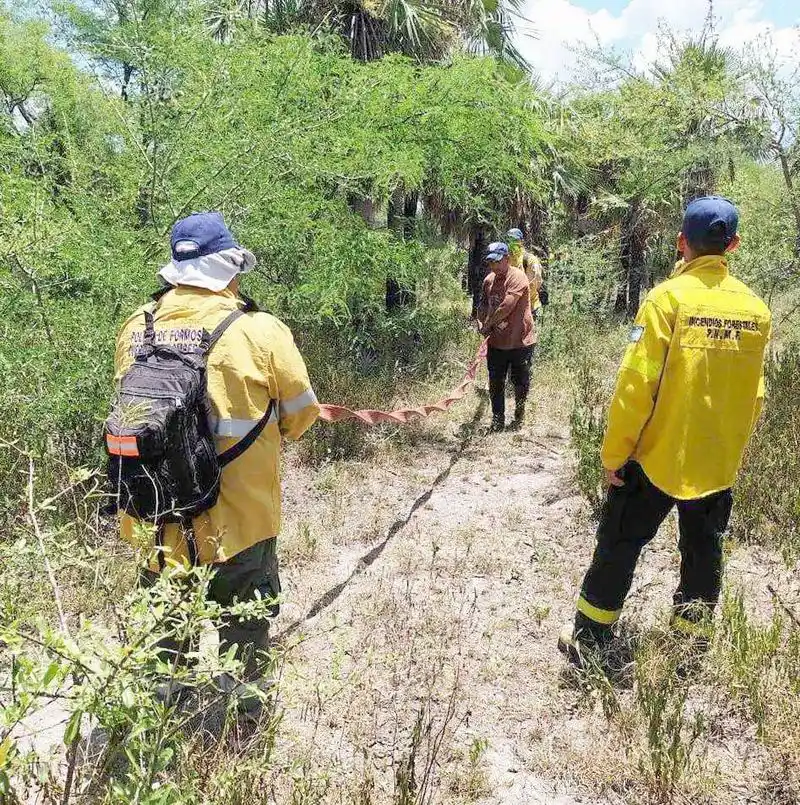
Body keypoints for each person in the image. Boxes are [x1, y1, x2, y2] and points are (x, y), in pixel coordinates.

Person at [113, 211, 319, 708]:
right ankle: (242, 728)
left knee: (164, 636)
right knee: (244, 632)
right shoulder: (260, 331)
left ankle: (160, 724)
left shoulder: (135, 327)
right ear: (228, 270)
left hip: (154, 521)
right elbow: (300, 415)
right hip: (239, 525)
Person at [558, 196, 771, 663]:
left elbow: (636, 385)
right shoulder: (756, 310)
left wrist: (615, 453)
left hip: (656, 456)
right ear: (732, 245)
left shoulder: (665, 299)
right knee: (703, 552)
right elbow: (756, 395)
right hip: (717, 463)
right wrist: (733, 451)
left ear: (682, 243)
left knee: (619, 543)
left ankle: (590, 639)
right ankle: (690, 643)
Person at [477, 242, 535, 431]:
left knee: (520, 382)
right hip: (497, 343)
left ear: (507, 259)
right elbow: (483, 305)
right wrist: (480, 322)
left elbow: (505, 307)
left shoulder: (518, 278)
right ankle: (498, 418)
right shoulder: (488, 281)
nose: (494, 267)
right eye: (491, 263)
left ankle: (519, 414)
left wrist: (488, 324)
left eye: (497, 262)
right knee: (496, 381)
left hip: (520, 341)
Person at [507, 228, 544, 321]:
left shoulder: (530, 259)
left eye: (515, 240)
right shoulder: (505, 260)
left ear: (521, 241)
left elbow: (537, 282)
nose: (511, 243)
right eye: (509, 240)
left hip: (532, 308)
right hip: (513, 310)